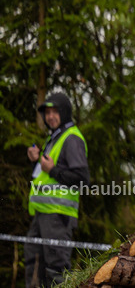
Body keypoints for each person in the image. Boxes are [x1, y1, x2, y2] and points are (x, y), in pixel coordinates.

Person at [25, 92, 90, 288]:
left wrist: (52, 170)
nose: (50, 116)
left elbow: (82, 179)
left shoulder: (72, 139)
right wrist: (37, 160)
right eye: (47, 112)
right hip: (42, 215)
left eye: (55, 112)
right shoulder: (54, 137)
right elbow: (46, 175)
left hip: (58, 217)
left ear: (65, 113)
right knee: (34, 267)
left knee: (56, 272)